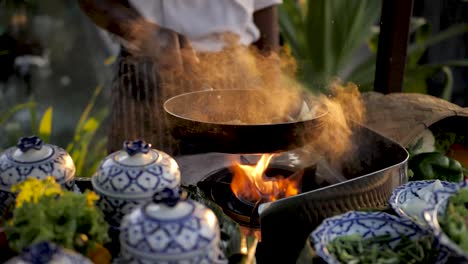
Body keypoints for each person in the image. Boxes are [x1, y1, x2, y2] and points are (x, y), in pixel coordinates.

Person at [78, 0, 282, 155]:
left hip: (237, 71)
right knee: (138, 192)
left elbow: (265, 5)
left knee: (240, 195)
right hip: (148, 72)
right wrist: (142, 31)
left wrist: (270, 79)